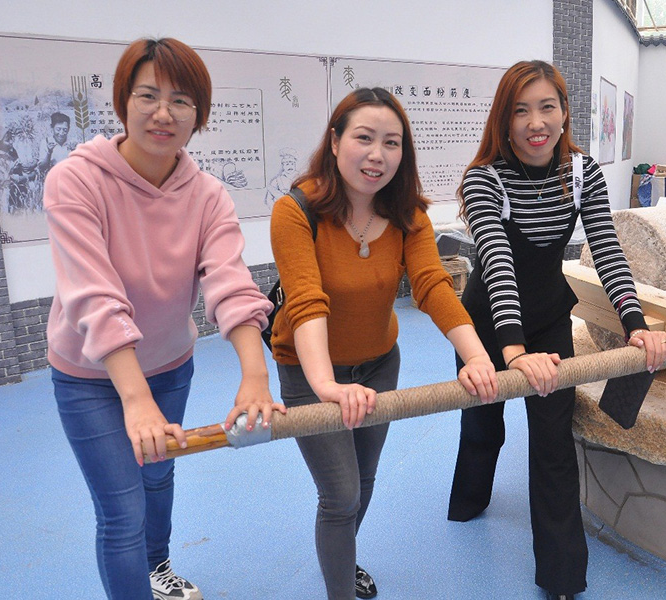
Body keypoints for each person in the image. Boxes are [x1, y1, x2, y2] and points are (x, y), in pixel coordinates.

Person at [44, 38, 285, 600]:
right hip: (88, 375)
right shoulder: (75, 181)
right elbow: (94, 296)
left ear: (198, 114)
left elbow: (229, 282)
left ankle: (158, 567)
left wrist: (255, 375)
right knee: (122, 510)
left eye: (181, 101)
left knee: (158, 475)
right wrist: (134, 399)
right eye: (148, 96)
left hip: (171, 365)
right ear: (122, 102)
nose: (163, 113)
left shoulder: (208, 195)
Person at [446, 60, 666, 600]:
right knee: (482, 421)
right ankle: (469, 500)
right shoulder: (484, 179)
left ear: (565, 112)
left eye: (547, 106)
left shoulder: (582, 173)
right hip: (487, 324)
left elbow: (607, 250)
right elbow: (498, 264)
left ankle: (562, 577)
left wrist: (636, 325)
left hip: (548, 320)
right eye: (520, 111)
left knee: (552, 441)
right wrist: (512, 351)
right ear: (504, 120)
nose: (535, 122)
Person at [269, 87, 498, 600]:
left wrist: (477, 357)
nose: (377, 155)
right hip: (309, 372)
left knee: (364, 480)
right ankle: (339, 589)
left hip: (378, 366)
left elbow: (432, 285)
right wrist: (326, 385)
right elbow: (305, 300)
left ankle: (340, 558)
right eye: (364, 138)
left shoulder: (407, 215)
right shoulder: (296, 210)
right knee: (340, 494)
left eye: (391, 143)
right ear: (335, 141)